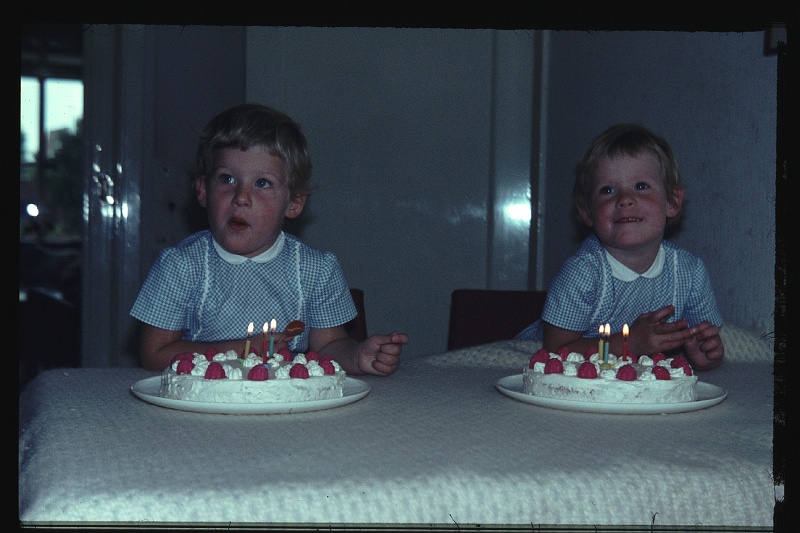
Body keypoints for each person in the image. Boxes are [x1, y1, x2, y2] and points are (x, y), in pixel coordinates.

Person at [131, 103, 408, 374]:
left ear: (294, 203)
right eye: (227, 179)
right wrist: (241, 349)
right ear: (203, 190)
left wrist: (357, 357)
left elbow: (330, 346)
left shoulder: (316, 270)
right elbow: (154, 354)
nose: (241, 198)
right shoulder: (180, 266)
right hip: (205, 405)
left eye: (262, 183)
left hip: (285, 405)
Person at [516, 123, 724, 370]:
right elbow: (555, 351)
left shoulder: (690, 272)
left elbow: (703, 342)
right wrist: (629, 344)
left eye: (641, 186)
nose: (624, 199)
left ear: (672, 201)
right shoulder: (582, 272)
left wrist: (702, 353)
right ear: (587, 212)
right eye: (608, 190)